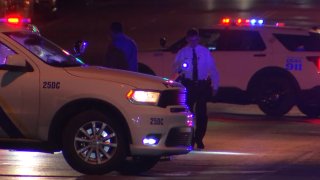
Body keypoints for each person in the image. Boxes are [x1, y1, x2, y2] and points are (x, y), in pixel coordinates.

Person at [173, 28, 219, 149]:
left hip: (202, 85)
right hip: (189, 85)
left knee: (202, 114)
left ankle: (199, 138)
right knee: (188, 114)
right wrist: (181, 69)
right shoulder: (182, 53)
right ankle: (189, 138)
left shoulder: (204, 52)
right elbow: (175, 68)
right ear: (187, 39)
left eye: (195, 40)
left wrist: (215, 85)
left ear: (198, 39)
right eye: (191, 40)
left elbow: (212, 69)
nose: (193, 42)